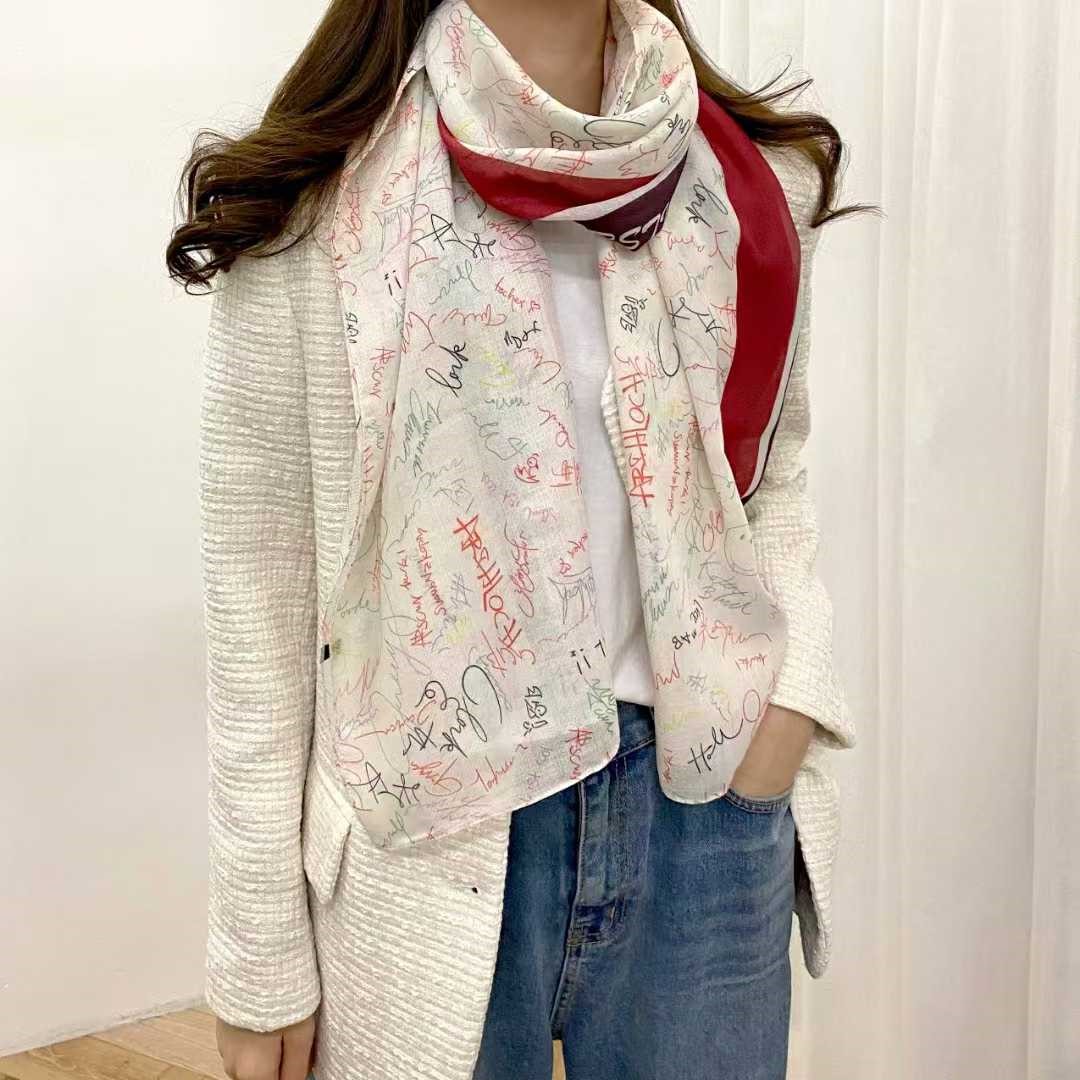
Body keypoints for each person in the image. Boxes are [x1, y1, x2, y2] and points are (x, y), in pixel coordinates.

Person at [167, 1, 874, 1077]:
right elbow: (259, 607)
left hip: (703, 804)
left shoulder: (745, 183)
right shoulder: (316, 201)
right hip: (430, 831)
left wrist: (790, 706)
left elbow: (771, 477)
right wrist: (257, 951)